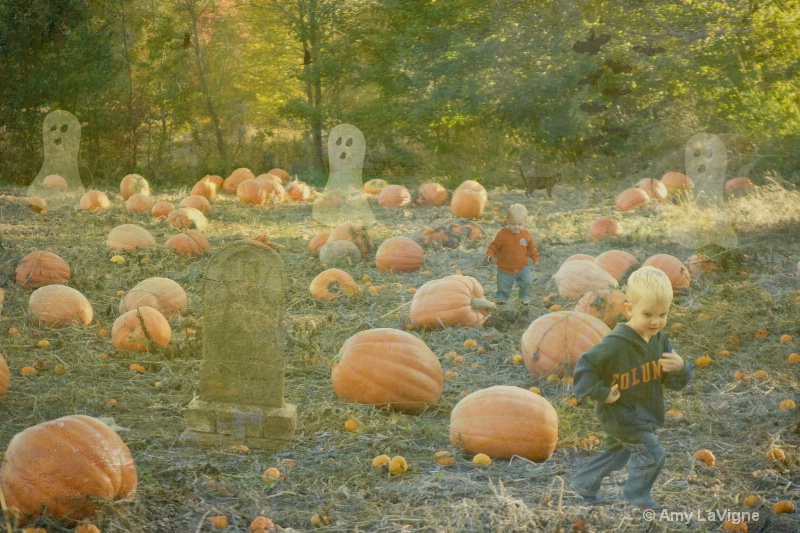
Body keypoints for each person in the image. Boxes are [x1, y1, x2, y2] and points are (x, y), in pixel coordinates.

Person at [570, 266, 692, 510]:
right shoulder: (615, 345)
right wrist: (602, 393)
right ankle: (638, 497)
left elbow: (673, 383)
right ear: (629, 309)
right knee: (653, 454)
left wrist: (681, 367)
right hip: (621, 414)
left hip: (644, 413)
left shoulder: (659, 340)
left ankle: (584, 483)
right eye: (648, 314)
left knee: (618, 453)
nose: (656, 321)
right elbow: (585, 367)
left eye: (663, 314)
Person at [485, 204, 539, 304]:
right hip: (504, 268)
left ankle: (524, 297)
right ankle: (502, 298)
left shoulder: (526, 235)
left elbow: (531, 248)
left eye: (520, 224)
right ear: (507, 221)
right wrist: (490, 254)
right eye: (513, 224)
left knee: (527, 282)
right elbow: (494, 246)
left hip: (522, 267)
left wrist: (535, 257)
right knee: (503, 286)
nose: (516, 227)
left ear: (525, 223)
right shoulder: (502, 234)